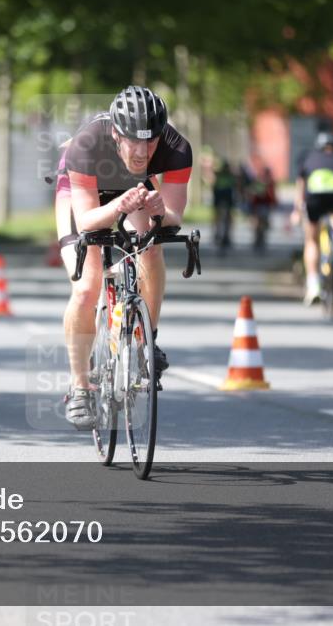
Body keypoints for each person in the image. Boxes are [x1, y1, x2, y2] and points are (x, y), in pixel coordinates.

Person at [52, 86, 192, 430]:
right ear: (116, 132)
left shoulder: (176, 149)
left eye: (151, 141)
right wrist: (118, 206)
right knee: (87, 286)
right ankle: (80, 387)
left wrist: (162, 212)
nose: (143, 151)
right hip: (83, 192)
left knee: (151, 243)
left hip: (133, 189)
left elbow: (174, 215)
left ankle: (148, 339)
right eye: (134, 141)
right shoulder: (86, 145)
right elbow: (85, 221)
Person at [291, 131, 333, 305]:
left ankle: (313, 285)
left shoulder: (309, 159)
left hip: (314, 199)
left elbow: (300, 187)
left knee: (312, 240)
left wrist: (297, 211)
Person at [247, 165, 276, 253]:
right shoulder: (261, 182)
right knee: (259, 224)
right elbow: (253, 194)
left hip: (263, 206)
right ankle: (258, 240)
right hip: (259, 206)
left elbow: (272, 195)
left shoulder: (269, 183)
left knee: (262, 224)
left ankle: (260, 240)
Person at [211, 157, 236, 253]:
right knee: (221, 216)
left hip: (224, 197)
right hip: (222, 197)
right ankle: (219, 233)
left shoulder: (225, 175)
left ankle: (225, 234)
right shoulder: (227, 175)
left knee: (225, 216)